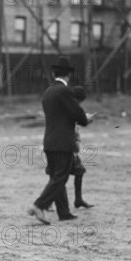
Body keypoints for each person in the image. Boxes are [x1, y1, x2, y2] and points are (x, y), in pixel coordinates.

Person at [28, 56, 89, 224]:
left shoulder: (48, 91)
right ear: (69, 74)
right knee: (61, 177)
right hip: (63, 142)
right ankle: (39, 205)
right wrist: (86, 118)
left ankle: (63, 212)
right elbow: (80, 117)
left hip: (49, 140)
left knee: (56, 176)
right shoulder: (66, 91)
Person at [43, 85, 95, 212]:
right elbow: (71, 122)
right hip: (64, 146)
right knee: (59, 176)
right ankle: (47, 202)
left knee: (59, 174)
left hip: (56, 144)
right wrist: (86, 119)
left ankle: (75, 199)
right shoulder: (70, 105)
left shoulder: (62, 104)